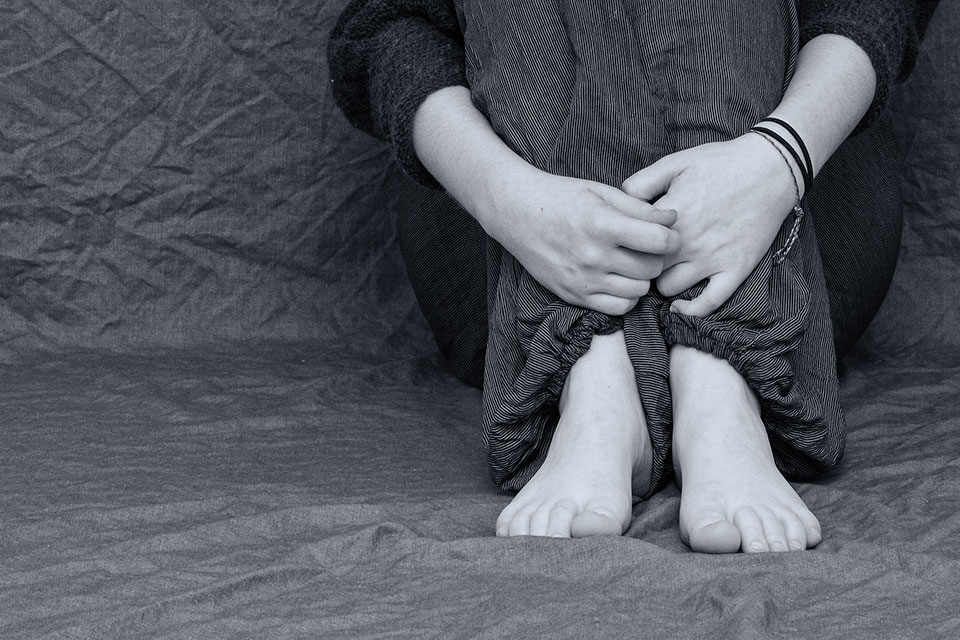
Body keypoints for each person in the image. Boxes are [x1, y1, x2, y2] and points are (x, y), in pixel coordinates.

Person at [329, 0, 939, 553]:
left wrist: (779, 157)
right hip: (503, 231)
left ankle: (720, 381)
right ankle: (593, 374)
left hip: (797, 200)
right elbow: (386, 29)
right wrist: (510, 198)